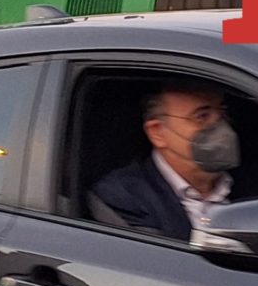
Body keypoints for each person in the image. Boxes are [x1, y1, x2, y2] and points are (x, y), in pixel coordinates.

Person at [88, 83, 239, 240]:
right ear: (157, 132)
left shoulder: (255, 184)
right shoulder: (124, 197)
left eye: (222, 113)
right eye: (202, 116)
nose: (221, 126)